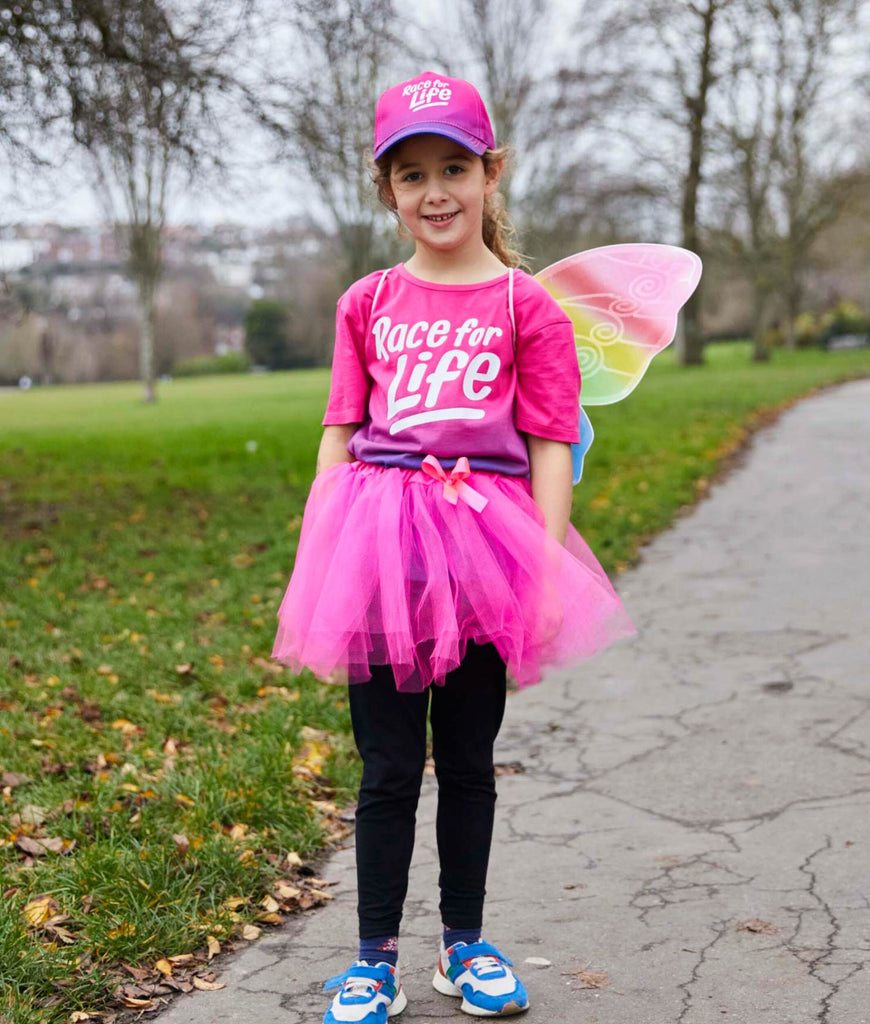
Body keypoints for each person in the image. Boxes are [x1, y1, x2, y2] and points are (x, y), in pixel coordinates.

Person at [271, 71, 636, 1022]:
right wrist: (323, 551)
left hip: (486, 551)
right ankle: (373, 958)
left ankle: (465, 945)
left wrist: (547, 571)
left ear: (491, 172)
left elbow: (551, 448)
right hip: (380, 552)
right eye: (411, 173)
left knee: (468, 761)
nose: (435, 191)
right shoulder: (367, 301)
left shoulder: (526, 306)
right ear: (385, 189)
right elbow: (339, 432)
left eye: (454, 168)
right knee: (387, 766)